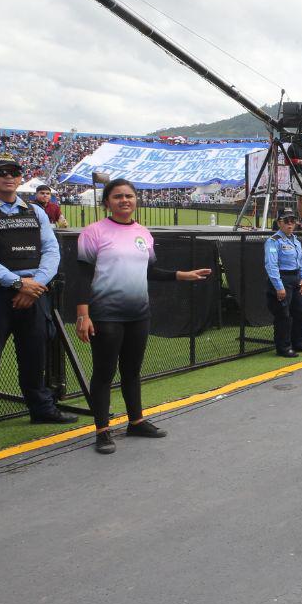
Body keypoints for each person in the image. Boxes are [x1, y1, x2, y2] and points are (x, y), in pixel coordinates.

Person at [75, 179, 211, 454]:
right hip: (106, 315)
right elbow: (81, 276)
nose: (124, 200)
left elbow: (148, 271)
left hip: (138, 313)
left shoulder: (142, 233)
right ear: (107, 202)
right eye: (117, 197)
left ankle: (135, 421)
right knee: (104, 373)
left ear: (136, 200)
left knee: (132, 371)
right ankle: (102, 429)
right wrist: (82, 314)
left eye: (129, 196)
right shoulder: (94, 232)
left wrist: (180, 275)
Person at [0, 152, 77, 450]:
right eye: (2, 171)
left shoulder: (34, 211)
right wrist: (17, 282)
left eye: (14, 171)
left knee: (35, 357)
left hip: (33, 292)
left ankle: (42, 410)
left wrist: (34, 284)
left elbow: (51, 250)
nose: (9, 176)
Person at [264, 208, 302, 358]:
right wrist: (279, 286)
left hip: (296, 279)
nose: (290, 224)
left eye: (293, 220)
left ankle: (298, 342)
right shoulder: (273, 241)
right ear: (279, 223)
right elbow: (271, 265)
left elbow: (301, 261)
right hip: (282, 279)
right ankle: (283, 347)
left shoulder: (296, 240)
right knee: (284, 315)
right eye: (286, 221)